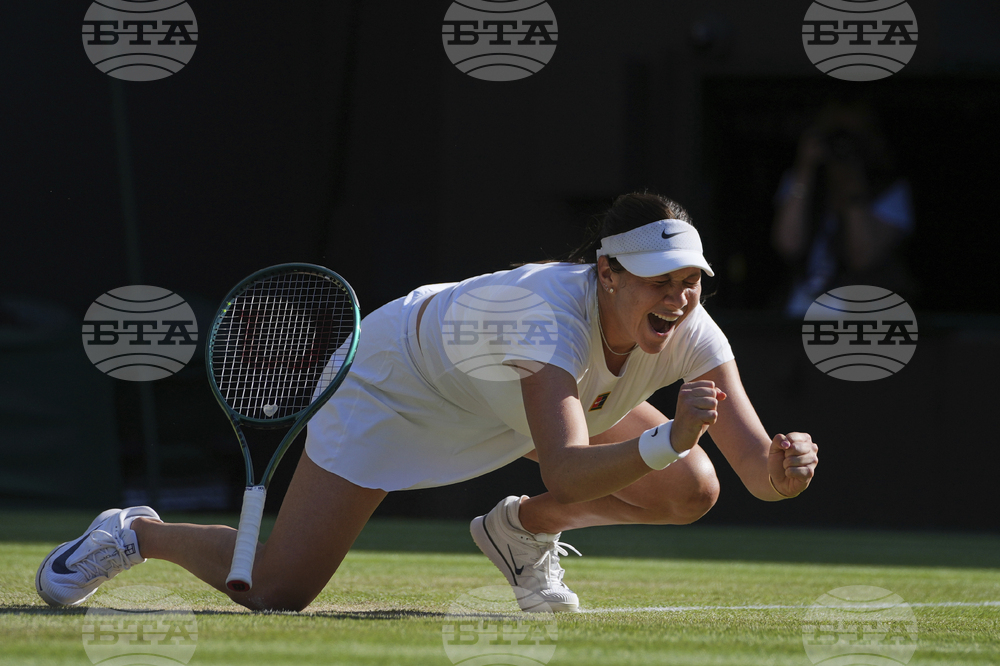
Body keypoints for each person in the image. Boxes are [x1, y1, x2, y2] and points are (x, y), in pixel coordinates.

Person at [37, 192, 818, 613]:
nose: (681, 299)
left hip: (512, 400)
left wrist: (787, 467)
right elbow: (569, 469)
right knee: (277, 590)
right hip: (395, 383)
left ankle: (517, 537)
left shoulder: (689, 323)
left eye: (690, 282)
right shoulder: (544, 317)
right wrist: (670, 434)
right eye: (661, 281)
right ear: (608, 274)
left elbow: (755, 470)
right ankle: (138, 533)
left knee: (693, 488)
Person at [772, 99, 916, 316]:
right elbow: (788, 244)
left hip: (864, 317)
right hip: (800, 312)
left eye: (853, 136)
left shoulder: (890, 190)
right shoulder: (804, 183)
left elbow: (862, 256)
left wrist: (853, 187)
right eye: (836, 135)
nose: (842, 145)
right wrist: (805, 168)